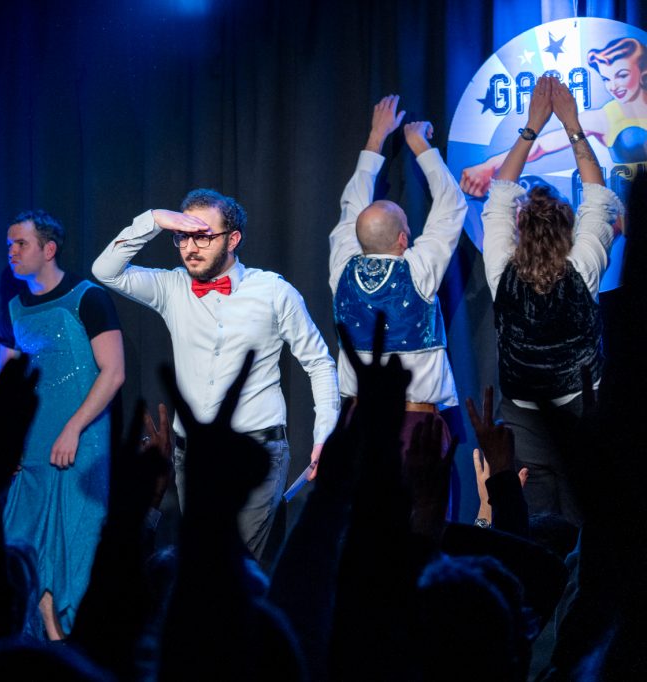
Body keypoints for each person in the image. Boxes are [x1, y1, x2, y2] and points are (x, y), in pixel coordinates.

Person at [91, 189, 340, 561]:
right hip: (192, 456)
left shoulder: (273, 291)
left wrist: (326, 435)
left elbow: (319, 363)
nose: (191, 247)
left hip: (257, 451)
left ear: (233, 239)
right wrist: (155, 219)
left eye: (203, 236)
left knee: (238, 567)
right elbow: (104, 270)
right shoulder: (171, 287)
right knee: (201, 565)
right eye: (182, 236)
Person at [481, 76, 622, 524]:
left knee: (533, 529)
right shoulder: (583, 267)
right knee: (587, 526)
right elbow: (599, 201)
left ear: (520, 231)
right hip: (582, 412)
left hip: (523, 417)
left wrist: (532, 127)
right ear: (569, 228)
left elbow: (498, 198)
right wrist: (573, 126)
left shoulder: (501, 270)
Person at [315, 96, 465, 491]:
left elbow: (352, 205)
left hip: (358, 423)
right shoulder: (418, 269)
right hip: (415, 426)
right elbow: (451, 205)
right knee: (423, 520)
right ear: (403, 239)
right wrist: (420, 146)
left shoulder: (341, 267)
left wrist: (376, 137)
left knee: (361, 522)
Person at [0, 210, 124, 640]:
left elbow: (113, 372)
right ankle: (49, 642)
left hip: (81, 444)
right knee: (24, 545)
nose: (12, 252)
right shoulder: (13, 309)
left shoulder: (88, 298)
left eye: (21, 244)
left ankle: (72, 646)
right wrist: (5, 440)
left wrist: (73, 428)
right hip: (31, 447)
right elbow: (5, 383)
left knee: (75, 547)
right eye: (9, 245)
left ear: (48, 249)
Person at [461, 36, 647, 197]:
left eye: (622, 75)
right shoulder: (604, 117)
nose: (613, 86)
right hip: (631, 215)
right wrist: (489, 165)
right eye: (606, 79)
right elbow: (541, 146)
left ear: (643, 73)